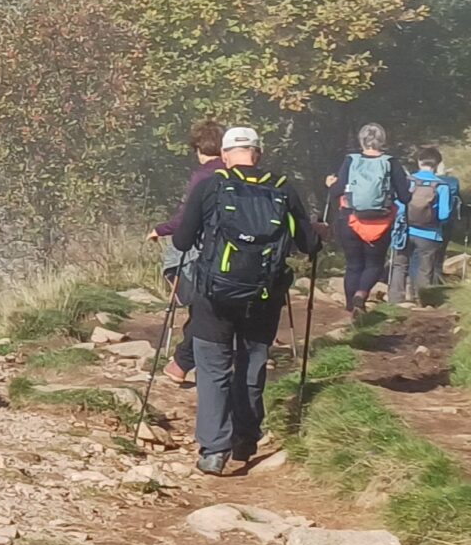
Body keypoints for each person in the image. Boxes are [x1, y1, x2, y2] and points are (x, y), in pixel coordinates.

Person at [172, 126, 321, 476]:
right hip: (264, 296)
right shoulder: (282, 188)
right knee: (252, 364)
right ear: (259, 153)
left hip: (214, 296)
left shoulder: (210, 186)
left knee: (213, 369)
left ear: (225, 155)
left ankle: (214, 450)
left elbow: (181, 242)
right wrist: (318, 233)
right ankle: (246, 440)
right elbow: (308, 244)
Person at [152, 120, 227, 385]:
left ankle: (183, 362)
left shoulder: (204, 176)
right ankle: (188, 360)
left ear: (197, 148)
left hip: (208, 251)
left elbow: (187, 218)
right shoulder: (237, 172)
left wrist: (160, 229)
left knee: (201, 303)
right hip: (241, 253)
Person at [325, 124, 400, 311]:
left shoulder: (351, 160)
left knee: (353, 265)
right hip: (380, 223)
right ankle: (361, 294)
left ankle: (351, 310)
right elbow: (405, 196)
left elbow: (336, 192)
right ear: (383, 140)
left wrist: (330, 184)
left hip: (351, 220)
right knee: (374, 264)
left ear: (361, 140)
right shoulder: (391, 162)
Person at [391, 145, 459, 305]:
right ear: (437, 164)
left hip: (405, 232)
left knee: (400, 265)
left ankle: (396, 300)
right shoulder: (442, 186)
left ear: (419, 161)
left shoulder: (408, 181)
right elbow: (444, 215)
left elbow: (399, 206)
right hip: (430, 234)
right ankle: (423, 301)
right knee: (425, 268)